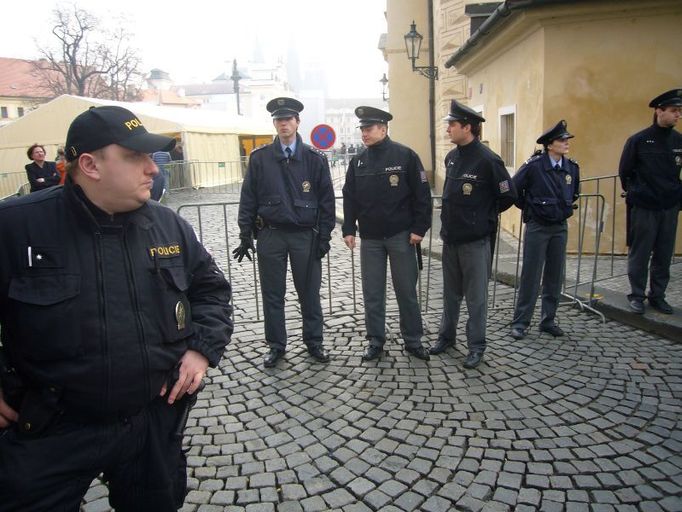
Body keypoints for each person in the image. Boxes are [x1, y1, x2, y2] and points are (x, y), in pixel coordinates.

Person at [0, 105, 233, 511]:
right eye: (134, 157)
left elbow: (211, 290)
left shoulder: (168, 225)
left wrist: (201, 349)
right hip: (53, 428)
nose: (153, 169)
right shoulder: (16, 226)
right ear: (90, 164)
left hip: (151, 422)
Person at [233, 97, 335, 368]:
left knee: (309, 293)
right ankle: (276, 345)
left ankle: (314, 342)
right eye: (279, 120)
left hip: (305, 235)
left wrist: (324, 236)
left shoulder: (315, 159)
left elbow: (327, 201)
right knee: (272, 294)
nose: (283, 124)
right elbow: (248, 199)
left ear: (297, 122)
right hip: (271, 235)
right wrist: (245, 234)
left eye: (288, 119)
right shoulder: (260, 158)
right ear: (275, 124)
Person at [430, 100, 517, 369]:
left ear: (467, 127)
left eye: (452, 125)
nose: (447, 129)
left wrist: (483, 216)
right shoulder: (452, 157)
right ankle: (447, 337)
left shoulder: (489, 160)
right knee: (450, 294)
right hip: (451, 239)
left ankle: (476, 346)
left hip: (475, 242)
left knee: (476, 298)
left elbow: (508, 195)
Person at [342, 106, 432, 361]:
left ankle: (413, 340)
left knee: (406, 291)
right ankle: (375, 341)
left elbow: (422, 197)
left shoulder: (406, 156)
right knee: (372, 293)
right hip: (370, 238)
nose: (364, 134)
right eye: (362, 129)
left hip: (401, 236)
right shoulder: (358, 160)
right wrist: (349, 229)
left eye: (368, 129)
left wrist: (419, 229)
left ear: (383, 128)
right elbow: (350, 198)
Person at [510, 120, 580, 340]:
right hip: (538, 226)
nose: (566, 143)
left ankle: (548, 320)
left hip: (559, 226)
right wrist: (530, 208)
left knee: (554, 275)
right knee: (531, 275)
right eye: (562, 140)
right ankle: (521, 322)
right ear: (550, 145)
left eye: (567, 139)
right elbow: (514, 189)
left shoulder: (572, 167)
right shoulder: (534, 165)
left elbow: (574, 193)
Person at [619, 88, 682, 315]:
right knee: (641, 252)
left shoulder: (678, 141)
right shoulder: (639, 140)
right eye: (674, 111)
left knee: (664, 254)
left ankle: (658, 296)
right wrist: (639, 194)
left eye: (679, 112)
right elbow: (625, 173)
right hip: (645, 207)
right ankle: (637, 295)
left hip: (669, 207)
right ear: (659, 111)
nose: (678, 115)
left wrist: (676, 199)